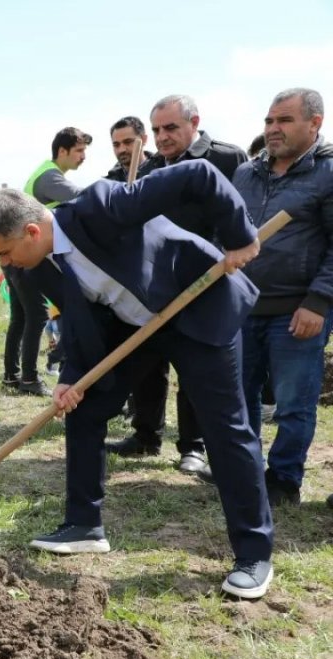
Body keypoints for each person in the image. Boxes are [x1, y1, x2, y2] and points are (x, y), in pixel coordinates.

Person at [0, 162, 274, 600]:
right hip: (137, 329)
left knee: (225, 429)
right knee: (84, 408)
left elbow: (199, 174)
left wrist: (240, 237)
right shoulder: (35, 267)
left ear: (32, 232)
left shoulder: (103, 205)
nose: (4, 263)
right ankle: (84, 524)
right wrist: (73, 378)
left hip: (197, 306)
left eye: (4, 252)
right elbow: (80, 322)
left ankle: (253, 554)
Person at [108, 95, 248, 479]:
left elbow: (242, 215)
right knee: (149, 365)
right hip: (157, 288)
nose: (162, 136)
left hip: (207, 285)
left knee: (193, 371)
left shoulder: (227, 159)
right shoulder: (151, 167)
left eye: (170, 128)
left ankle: (193, 448)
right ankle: (145, 435)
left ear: (194, 122)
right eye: (155, 130)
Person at [233, 88, 333, 507]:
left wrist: (319, 301)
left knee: (294, 403)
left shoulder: (327, 173)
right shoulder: (246, 173)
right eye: (269, 121)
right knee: (241, 396)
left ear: (315, 123)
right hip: (243, 307)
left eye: (285, 121)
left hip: (298, 310)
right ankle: (245, 472)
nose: (273, 129)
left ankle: (285, 479)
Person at [5, 128, 92, 397]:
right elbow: (83, 196)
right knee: (37, 314)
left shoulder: (43, 172)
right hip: (27, 256)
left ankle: (12, 376)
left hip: (16, 255)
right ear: (62, 151)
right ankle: (29, 379)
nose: (83, 157)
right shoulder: (49, 177)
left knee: (21, 316)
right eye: (79, 151)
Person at [106, 116, 154, 181]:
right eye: (116, 145)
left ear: (144, 139)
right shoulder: (110, 185)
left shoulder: (162, 172)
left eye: (128, 142)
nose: (121, 150)